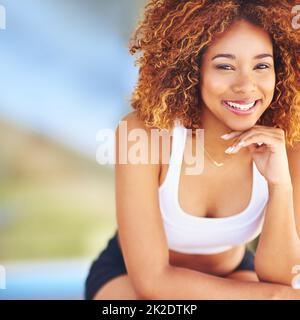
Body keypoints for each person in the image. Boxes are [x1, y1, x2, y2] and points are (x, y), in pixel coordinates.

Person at [85, 0, 300, 300]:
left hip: (232, 273)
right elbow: (153, 282)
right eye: (225, 66)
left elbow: (282, 280)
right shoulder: (143, 135)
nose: (247, 85)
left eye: (262, 65)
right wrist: (268, 298)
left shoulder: (289, 143)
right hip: (131, 277)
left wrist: (280, 185)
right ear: (190, 68)